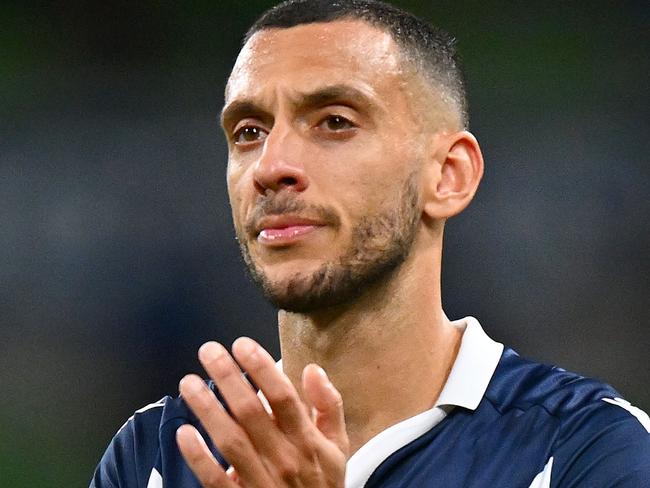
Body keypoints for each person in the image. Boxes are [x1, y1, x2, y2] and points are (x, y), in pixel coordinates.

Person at [90, 1, 650, 486]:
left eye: (334, 121)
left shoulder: (587, 450)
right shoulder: (156, 456)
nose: (271, 166)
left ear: (448, 175)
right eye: (249, 132)